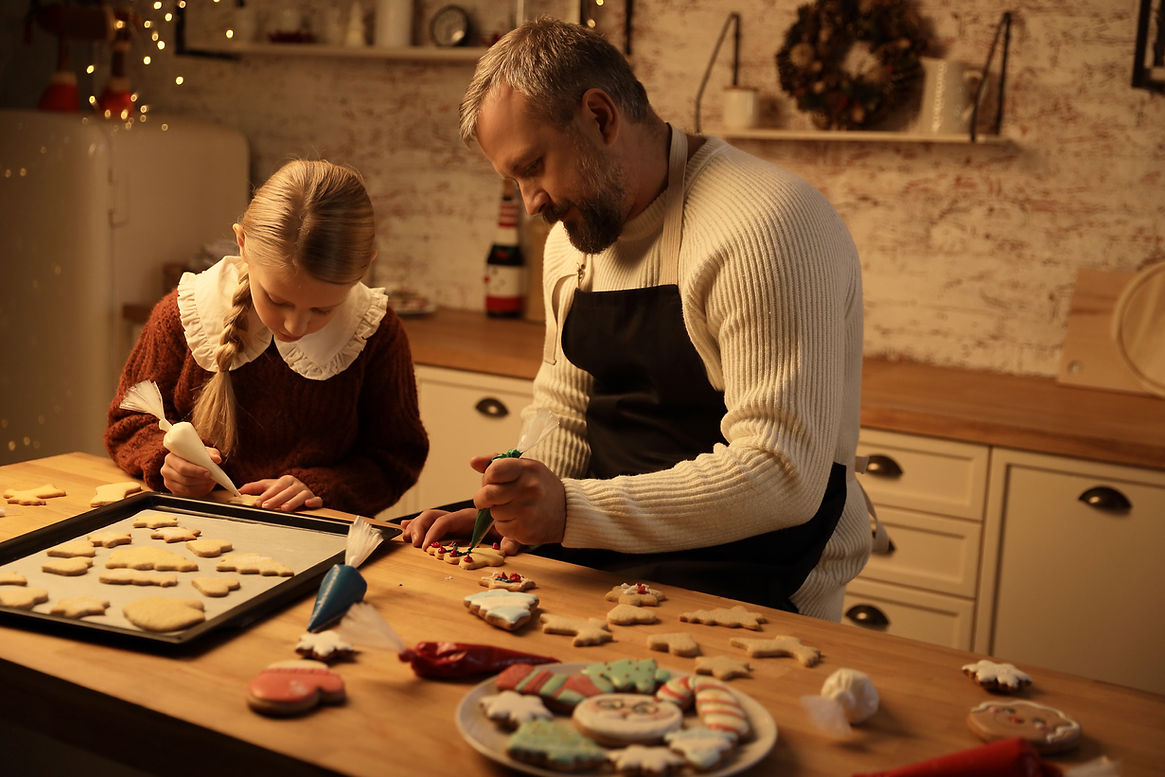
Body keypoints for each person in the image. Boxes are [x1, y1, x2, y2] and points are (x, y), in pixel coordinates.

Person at [401, 19, 871, 620]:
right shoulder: (573, 244)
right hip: (604, 552)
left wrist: (570, 510)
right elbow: (564, 406)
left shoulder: (765, 226)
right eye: (515, 181)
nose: (532, 203)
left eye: (534, 166)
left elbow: (780, 474)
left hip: (759, 570)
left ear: (600, 117)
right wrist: (515, 508)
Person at [107, 159, 428, 516]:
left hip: (317, 541)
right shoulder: (185, 314)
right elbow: (128, 425)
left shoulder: (374, 333)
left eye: (322, 310)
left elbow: (397, 458)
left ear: (364, 266)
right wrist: (165, 461)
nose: (294, 325)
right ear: (242, 242)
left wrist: (323, 487)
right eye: (277, 300)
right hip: (188, 529)